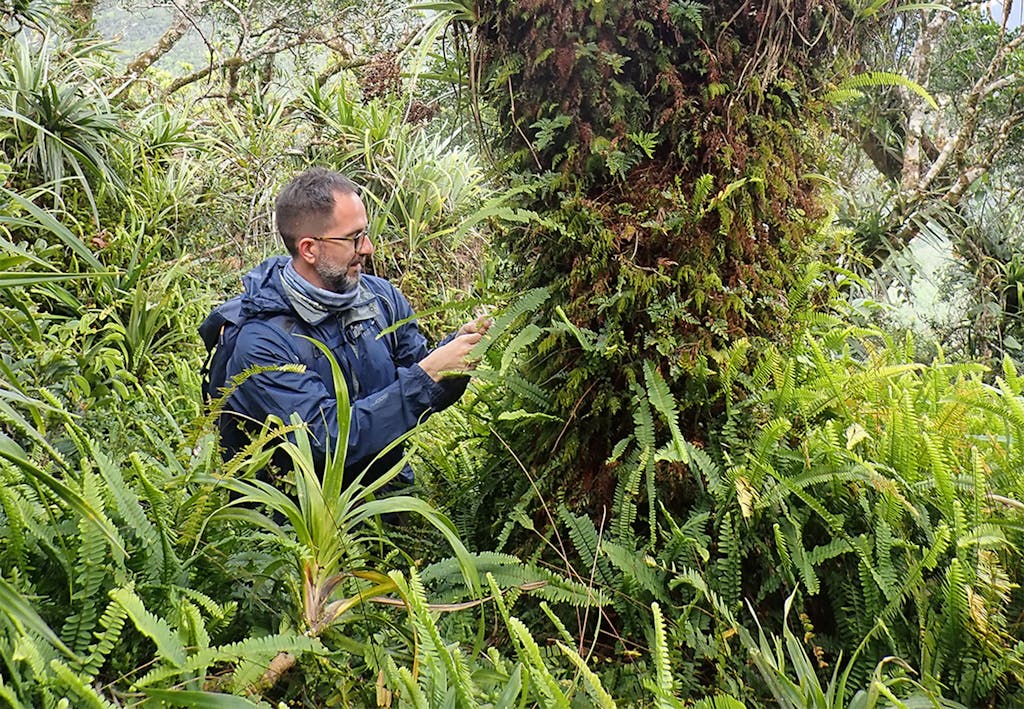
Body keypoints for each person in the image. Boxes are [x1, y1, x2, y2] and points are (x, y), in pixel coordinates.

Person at [219, 167, 489, 484]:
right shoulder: (262, 343)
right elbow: (324, 440)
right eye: (353, 238)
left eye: (366, 234)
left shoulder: (382, 298)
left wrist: (453, 355)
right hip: (307, 510)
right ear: (309, 249)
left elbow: (417, 381)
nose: (368, 247)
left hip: (388, 492)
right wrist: (427, 375)